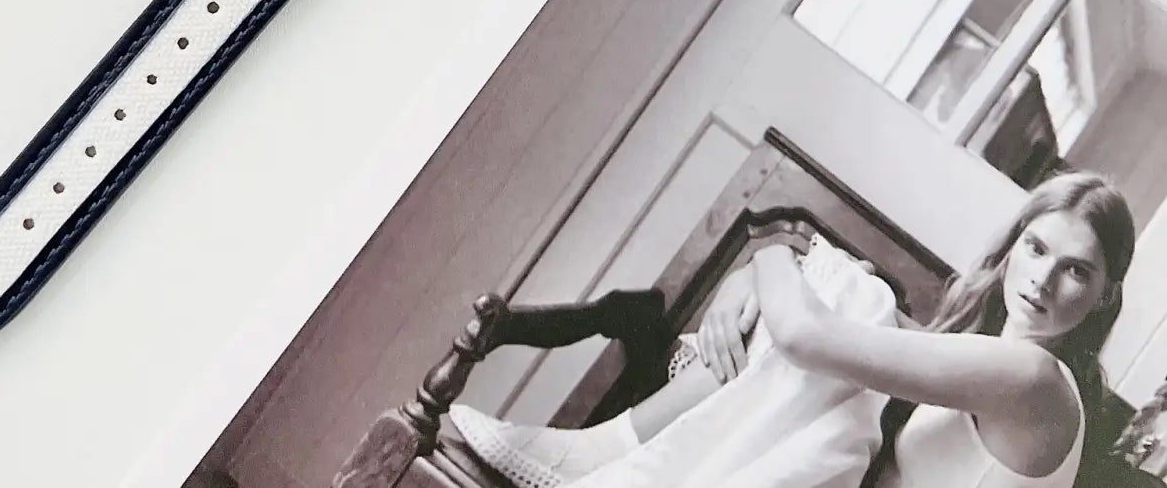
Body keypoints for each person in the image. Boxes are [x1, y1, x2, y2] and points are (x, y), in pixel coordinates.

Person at [451, 171, 1136, 488]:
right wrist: (750, 281)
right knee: (854, 298)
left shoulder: (1033, 380)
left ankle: (599, 457)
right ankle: (598, 456)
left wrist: (769, 251)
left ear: (1105, 297)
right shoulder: (992, 362)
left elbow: (808, 336)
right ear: (1014, 245)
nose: (1044, 279)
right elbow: (843, 320)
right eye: (1037, 248)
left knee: (844, 308)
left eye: (1076, 271)